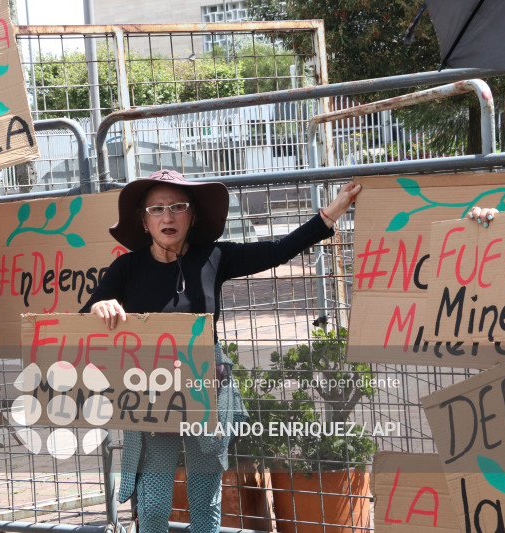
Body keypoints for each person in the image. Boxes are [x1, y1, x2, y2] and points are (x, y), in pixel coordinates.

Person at [81, 169, 361, 533]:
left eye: (178, 206)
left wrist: (331, 213)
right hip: (151, 397)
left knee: (204, 504)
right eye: (157, 209)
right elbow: (82, 323)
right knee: (151, 509)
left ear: (193, 216)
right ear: (143, 219)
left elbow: (278, 251)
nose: (168, 216)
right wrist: (99, 308)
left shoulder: (213, 256)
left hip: (206, 392)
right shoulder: (126, 268)